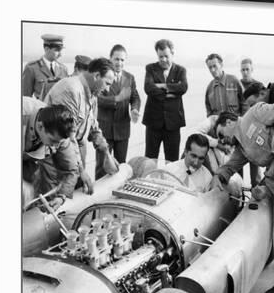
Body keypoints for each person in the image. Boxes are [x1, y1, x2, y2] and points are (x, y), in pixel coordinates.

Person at [210, 101, 274, 293]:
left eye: (221, 134)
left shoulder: (255, 114)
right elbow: (231, 166)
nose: (222, 140)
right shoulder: (241, 149)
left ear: (230, 122)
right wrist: (219, 176)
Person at [44, 57, 119, 190]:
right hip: (55, 158)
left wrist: (106, 153)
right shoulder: (71, 90)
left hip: (73, 157)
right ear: (96, 76)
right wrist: (81, 171)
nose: (107, 89)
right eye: (107, 83)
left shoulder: (92, 94)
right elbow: (67, 137)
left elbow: (93, 127)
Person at [22, 100, 80, 210]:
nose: (54, 148)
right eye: (52, 141)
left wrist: (61, 196)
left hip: (29, 158)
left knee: (29, 195)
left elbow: (71, 170)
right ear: (40, 126)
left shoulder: (59, 133)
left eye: (58, 142)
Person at [95, 44, 141, 179]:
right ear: (110, 59)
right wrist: (117, 99)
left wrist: (134, 109)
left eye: (122, 60)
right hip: (105, 129)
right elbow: (97, 99)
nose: (119, 63)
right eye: (116, 59)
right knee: (101, 167)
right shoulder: (101, 76)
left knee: (121, 166)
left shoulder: (130, 78)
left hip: (122, 129)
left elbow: (135, 97)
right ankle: (98, 197)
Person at [142, 39, 188, 162]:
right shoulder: (151, 68)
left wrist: (162, 86)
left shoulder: (181, 70)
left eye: (166, 56)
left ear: (172, 54)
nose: (163, 60)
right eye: (160, 56)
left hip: (173, 124)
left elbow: (183, 87)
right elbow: (148, 88)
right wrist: (172, 93)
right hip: (153, 123)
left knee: (172, 161)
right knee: (150, 161)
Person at [22, 34, 69, 101]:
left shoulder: (63, 69)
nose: (60, 54)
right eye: (57, 50)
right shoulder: (32, 68)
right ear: (46, 49)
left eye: (61, 50)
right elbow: (25, 98)